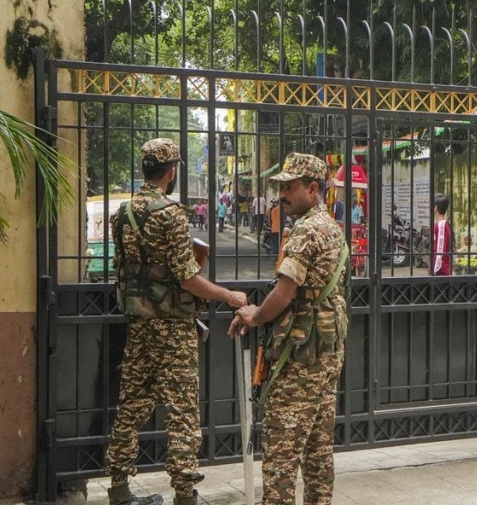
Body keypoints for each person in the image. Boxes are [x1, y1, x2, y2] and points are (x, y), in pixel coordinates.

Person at [105, 138, 248, 505]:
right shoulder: (170, 214)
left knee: (132, 404)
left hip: (139, 323)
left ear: (144, 169)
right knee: (182, 410)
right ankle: (185, 494)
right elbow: (187, 278)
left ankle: (119, 489)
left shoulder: (120, 214)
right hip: (172, 327)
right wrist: (228, 296)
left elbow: (126, 269)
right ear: (172, 171)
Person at [228, 152, 348, 505]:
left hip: (299, 361)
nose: (282, 193)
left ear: (313, 190)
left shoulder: (306, 231)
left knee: (281, 457)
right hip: (325, 357)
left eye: (290, 187)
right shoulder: (333, 228)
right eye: (281, 186)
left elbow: (283, 294)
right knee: (318, 453)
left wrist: (254, 315)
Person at [430, 193, 452, 276]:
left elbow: (440, 251)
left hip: (441, 272)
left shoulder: (441, 225)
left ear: (435, 208)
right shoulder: (441, 224)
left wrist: (434, 271)